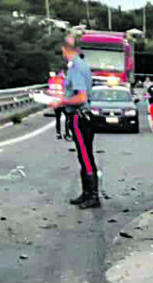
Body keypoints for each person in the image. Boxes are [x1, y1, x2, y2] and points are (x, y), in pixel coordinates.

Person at [56, 37, 99, 209]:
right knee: (84, 155)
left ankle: (93, 195)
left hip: (79, 117)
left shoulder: (75, 67)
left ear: (65, 49)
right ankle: (87, 193)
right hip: (84, 117)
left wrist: (61, 102)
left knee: (85, 156)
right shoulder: (83, 65)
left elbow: (81, 97)